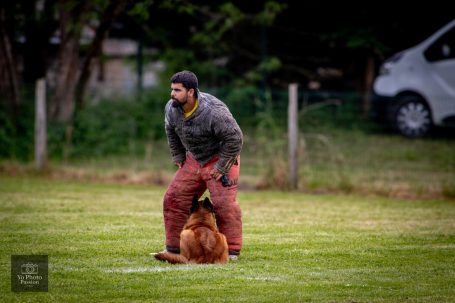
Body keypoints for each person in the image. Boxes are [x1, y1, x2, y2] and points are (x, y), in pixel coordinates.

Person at [156, 70, 244, 260]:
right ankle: (173, 248)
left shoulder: (214, 111)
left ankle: (232, 251)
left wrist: (221, 167)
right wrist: (178, 154)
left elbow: (235, 139)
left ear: (191, 92)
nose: (172, 94)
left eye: (177, 90)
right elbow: (170, 129)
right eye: (172, 89)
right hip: (194, 157)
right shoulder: (171, 108)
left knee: (223, 204)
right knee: (173, 199)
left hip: (221, 157)